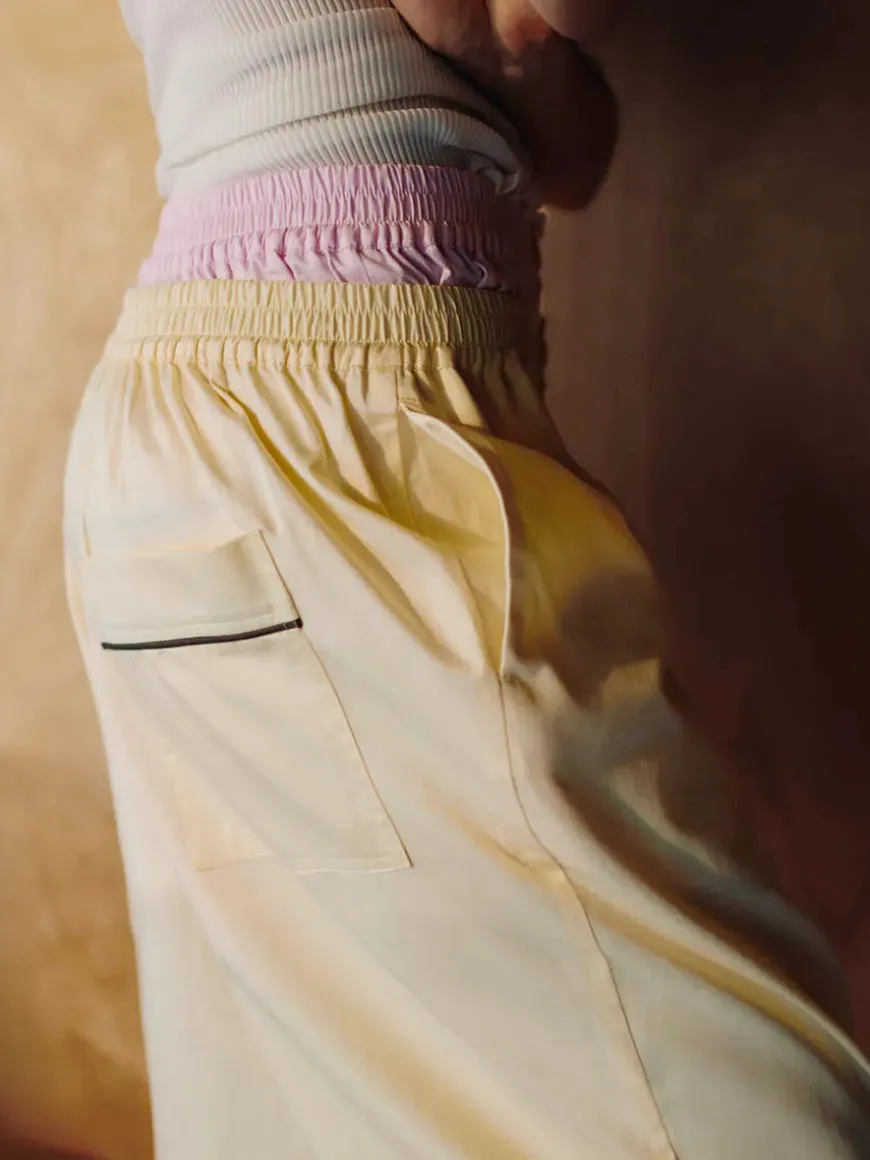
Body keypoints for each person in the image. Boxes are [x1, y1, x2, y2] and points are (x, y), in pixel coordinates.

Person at [63, 1, 870, 1157]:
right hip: (326, 419)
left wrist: (512, 48)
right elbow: (538, 51)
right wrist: (518, 48)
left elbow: (569, 143)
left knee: (297, 1104)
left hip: (232, 422)